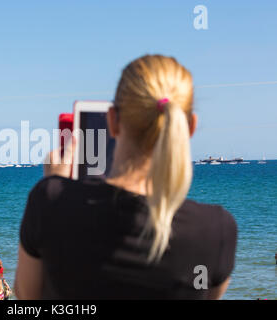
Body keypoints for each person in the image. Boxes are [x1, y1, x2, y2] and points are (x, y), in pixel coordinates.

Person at [15, 55, 237, 300]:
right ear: (190, 127)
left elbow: (27, 298)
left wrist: (54, 185)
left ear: (113, 120)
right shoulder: (216, 231)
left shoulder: (49, 202)